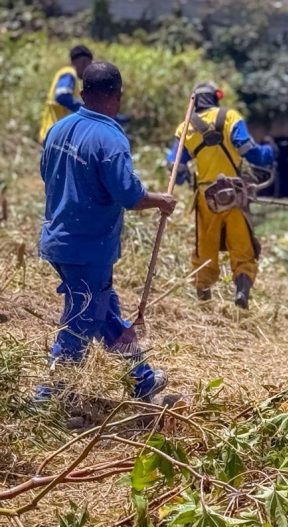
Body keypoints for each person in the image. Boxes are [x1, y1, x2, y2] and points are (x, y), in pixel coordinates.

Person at [38, 61, 176, 403]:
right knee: (83, 320)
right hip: (87, 247)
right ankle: (48, 397)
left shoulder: (59, 128)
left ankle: (142, 379)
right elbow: (129, 195)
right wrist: (161, 201)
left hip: (58, 239)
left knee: (104, 310)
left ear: (83, 94)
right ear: (117, 96)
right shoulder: (111, 138)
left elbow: (45, 173)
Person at [167, 82, 276, 309]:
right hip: (234, 193)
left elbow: (173, 165)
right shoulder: (230, 117)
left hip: (206, 197)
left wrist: (182, 178)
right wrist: (269, 152)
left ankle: (204, 300)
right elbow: (249, 150)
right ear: (217, 97)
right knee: (242, 245)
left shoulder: (185, 127)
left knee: (204, 249)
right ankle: (242, 291)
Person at [38, 44, 93, 144]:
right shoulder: (69, 74)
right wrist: (88, 109)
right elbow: (62, 97)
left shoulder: (72, 78)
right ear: (84, 62)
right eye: (88, 64)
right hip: (55, 135)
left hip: (54, 134)